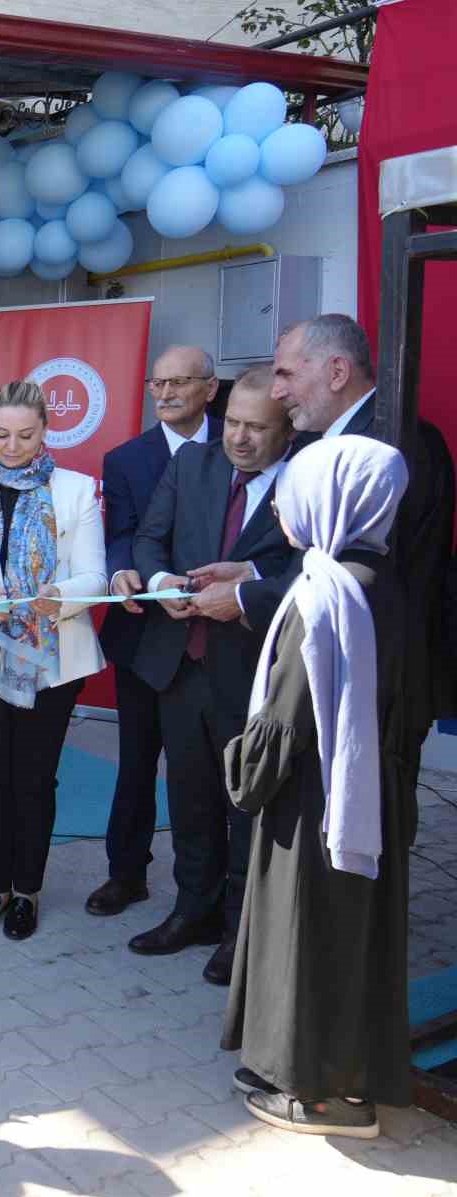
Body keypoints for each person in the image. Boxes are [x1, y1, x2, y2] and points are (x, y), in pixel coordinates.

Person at [222, 436, 413, 1140]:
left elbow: (285, 721)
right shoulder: (381, 578)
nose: (279, 503)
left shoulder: (324, 595)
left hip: (313, 805)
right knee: (352, 939)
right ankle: (339, 1072)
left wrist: (241, 769)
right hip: (369, 792)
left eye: (293, 491)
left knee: (307, 938)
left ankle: (316, 1092)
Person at [127, 369, 297, 982]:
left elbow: (311, 572)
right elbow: (150, 540)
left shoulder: (306, 481)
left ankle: (239, 931)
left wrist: (247, 577)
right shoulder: (192, 465)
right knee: (190, 799)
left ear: (288, 430)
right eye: (234, 424)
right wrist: (158, 583)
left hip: (253, 673)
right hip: (181, 660)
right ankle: (191, 911)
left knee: (246, 808)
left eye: (258, 428)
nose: (242, 439)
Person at [0, 379, 105, 941]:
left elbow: (95, 576)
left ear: (45, 432)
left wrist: (60, 598)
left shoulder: (77, 490)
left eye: (25, 435)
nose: (11, 446)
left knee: (35, 779)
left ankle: (28, 889)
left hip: (50, 656)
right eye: (2, 434)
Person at [267, 314, 455, 751]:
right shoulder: (335, 441)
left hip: (379, 681)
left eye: (286, 374)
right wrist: (248, 575)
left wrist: (247, 595)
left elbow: (361, 572)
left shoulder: (393, 442)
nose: (276, 391)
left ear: (337, 372)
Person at [90, 347, 223, 919]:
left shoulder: (241, 444)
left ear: (210, 389)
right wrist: (123, 567)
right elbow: (119, 532)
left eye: (179, 383)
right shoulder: (127, 459)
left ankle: (214, 891)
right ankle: (126, 875)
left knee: (211, 773)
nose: (165, 393)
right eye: (156, 383)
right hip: (146, 634)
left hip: (220, 638)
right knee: (137, 762)